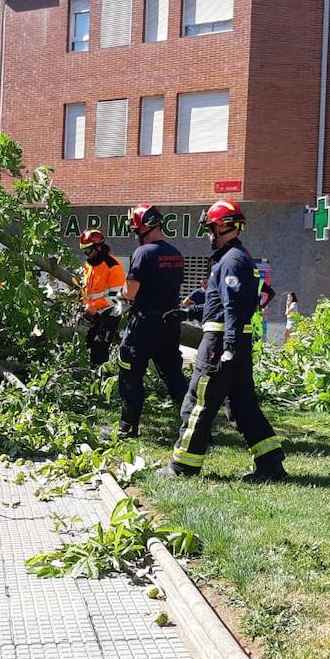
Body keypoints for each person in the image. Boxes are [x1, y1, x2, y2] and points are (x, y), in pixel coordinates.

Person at [164, 200, 287, 482]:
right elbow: (225, 302)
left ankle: (183, 467)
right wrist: (189, 312)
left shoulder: (231, 261)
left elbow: (232, 307)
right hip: (234, 342)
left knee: (197, 402)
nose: (208, 235)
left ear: (221, 226)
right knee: (243, 407)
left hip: (221, 344)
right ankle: (271, 464)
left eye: (210, 229)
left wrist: (228, 346)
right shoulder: (237, 258)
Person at [115, 205, 189, 438]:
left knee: (129, 372)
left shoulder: (143, 253)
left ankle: (127, 428)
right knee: (174, 376)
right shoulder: (176, 254)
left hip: (144, 323)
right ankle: (199, 428)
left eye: (135, 228)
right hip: (169, 322)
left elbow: (131, 291)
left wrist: (120, 293)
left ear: (143, 226)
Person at [78, 228, 127, 366]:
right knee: (86, 344)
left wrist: (94, 306)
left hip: (110, 313)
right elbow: (88, 289)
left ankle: (101, 379)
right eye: (84, 252)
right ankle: (90, 375)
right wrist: (85, 304)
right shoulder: (90, 264)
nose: (87, 255)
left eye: (88, 251)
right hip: (93, 312)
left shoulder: (113, 265)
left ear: (98, 247)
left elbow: (117, 297)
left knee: (99, 349)